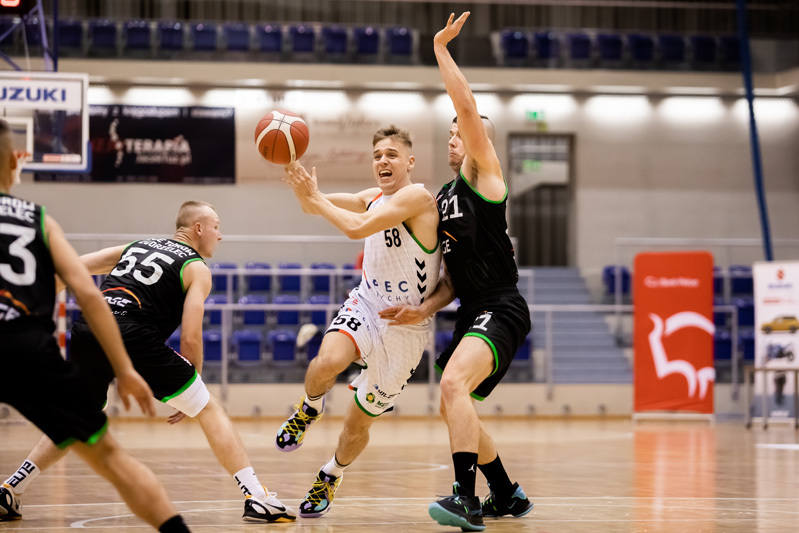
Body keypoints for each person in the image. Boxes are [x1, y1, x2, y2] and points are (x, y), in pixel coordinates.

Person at [1, 200, 296, 524]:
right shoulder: (196, 268)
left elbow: (72, 267)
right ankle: (256, 497)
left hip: (88, 329)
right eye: (217, 226)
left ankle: (11, 489)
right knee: (209, 408)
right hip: (133, 331)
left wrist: (32, 305)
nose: (220, 235)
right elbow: (190, 338)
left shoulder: (136, 246)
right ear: (198, 228)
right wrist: (193, 385)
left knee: (77, 417)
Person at [379, 13, 534, 532]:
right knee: (454, 403)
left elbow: (467, 108)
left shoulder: (486, 177)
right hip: (471, 307)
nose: (453, 138)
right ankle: (506, 493)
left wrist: (441, 50)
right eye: (447, 134)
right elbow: (447, 278)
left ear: (477, 141)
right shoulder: (443, 197)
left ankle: (466, 500)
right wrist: (422, 308)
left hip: (502, 305)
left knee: (451, 385)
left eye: (460, 133)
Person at [0, 119, 191, 532]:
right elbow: (88, 294)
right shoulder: (38, 220)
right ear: (15, 161)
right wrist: (125, 369)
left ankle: (12, 488)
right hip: (27, 348)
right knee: (110, 457)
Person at [278, 125, 441, 518]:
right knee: (327, 362)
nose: (383, 160)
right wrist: (296, 176)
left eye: (391, 154)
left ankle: (332, 473)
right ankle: (309, 408)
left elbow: (354, 228)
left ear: (410, 162)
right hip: (368, 303)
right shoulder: (370, 197)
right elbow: (311, 206)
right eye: (377, 155)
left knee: (356, 426)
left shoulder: (418, 197)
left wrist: (314, 196)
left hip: (405, 329)